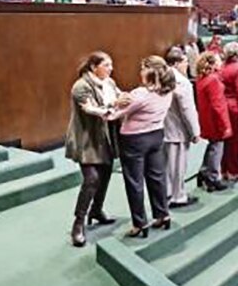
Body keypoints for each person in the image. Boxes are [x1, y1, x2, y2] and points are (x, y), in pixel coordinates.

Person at [106, 56, 176, 238]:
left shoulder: (140, 94)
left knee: (135, 182)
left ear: (150, 72)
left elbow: (111, 116)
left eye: (143, 68)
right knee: (157, 178)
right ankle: (163, 215)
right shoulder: (167, 90)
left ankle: (140, 223)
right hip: (156, 136)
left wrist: (113, 102)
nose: (140, 72)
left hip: (134, 140)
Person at [64, 51, 126, 247]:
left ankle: (96, 210)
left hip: (105, 139)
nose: (110, 68)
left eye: (111, 65)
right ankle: (79, 222)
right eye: (106, 65)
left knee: (105, 175)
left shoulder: (110, 83)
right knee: (92, 179)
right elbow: (89, 108)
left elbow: (119, 97)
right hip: (87, 140)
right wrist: (109, 109)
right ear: (93, 67)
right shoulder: (81, 86)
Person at [163, 48, 201, 207]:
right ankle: (178, 196)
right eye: (185, 62)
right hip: (178, 130)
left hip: (163, 128)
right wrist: (195, 132)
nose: (186, 65)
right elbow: (187, 110)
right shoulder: (182, 82)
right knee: (178, 165)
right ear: (177, 63)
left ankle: (167, 192)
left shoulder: (161, 77)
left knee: (165, 165)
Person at [195, 51, 232, 192]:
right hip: (215, 120)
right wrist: (225, 125)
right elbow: (218, 105)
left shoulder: (201, 79)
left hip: (206, 117)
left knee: (212, 146)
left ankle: (204, 172)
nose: (221, 62)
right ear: (212, 63)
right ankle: (213, 177)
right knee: (217, 148)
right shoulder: (213, 80)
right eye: (218, 60)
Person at [219, 42, 238, 181]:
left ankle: (224, 169)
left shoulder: (221, 67)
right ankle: (234, 170)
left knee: (225, 140)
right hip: (235, 109)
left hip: (222, 107)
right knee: (234, 141)